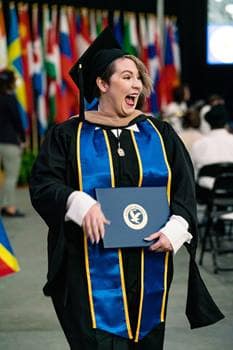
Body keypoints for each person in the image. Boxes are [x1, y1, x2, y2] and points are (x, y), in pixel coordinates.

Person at [29, 27, 223, 350]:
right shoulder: (68, 136)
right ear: (102, 84)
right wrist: (78, 202)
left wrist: (176, 229)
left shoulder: (159, 134)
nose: (137, 85)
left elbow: (185, 190)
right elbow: (43, 184)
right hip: (88, 271)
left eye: (138, 78)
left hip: (149, 265)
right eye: (127, 77)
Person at [0, 69, 25, 217]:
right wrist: (22, 138)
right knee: (10, 177)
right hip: (10, 142)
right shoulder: (10, 98)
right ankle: (9, 207)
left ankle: (5, 204)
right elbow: (17, 121)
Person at [191, 104, 233, 189]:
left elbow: (193, 175)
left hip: (206, 196)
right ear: (226, 123)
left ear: (208, 123)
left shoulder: (198, 145)